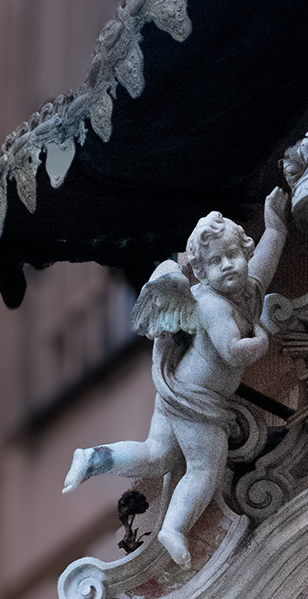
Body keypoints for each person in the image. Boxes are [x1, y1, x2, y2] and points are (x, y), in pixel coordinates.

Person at [62, 187, 290, 568]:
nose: (228, 266)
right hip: (197, 401)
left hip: (176, 391)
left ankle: (95, 458)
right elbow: (233, 351)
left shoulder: (245, 290)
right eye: (216, 262)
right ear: (200, 272)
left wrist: (276, 228)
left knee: (158, 454)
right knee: (205, 467)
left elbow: (265, 261)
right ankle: (173, 528)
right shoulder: (213, 306)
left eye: (233, 255)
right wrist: (262, 339)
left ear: (245, 252)